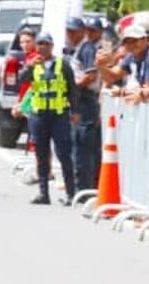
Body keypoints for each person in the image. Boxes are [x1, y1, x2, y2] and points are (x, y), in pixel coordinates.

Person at [20, 32, 77, 206]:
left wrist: (75, 110)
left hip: (58, 115)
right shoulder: (33, 64)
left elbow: (72, 89)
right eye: (40, 44)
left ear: (52, 46)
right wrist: (30, 66)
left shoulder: (62, 65)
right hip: (39, 115)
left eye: (46, 44)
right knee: (41, 154)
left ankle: (70, 194)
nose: (43, 47)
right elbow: (22, 80)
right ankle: (43, 193)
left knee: (63, 153)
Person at [67, 17, 102, 191]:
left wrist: (71, 88)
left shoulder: (86, 48)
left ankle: (83, 188)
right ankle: (83, 186)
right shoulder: (78, 49)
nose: (69, 34)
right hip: (81, 100)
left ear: (82, 32)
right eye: (68, 31)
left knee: (82, 145)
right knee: (80, 144)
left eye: (73, 31)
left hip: (86, 100)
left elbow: (91, 76)